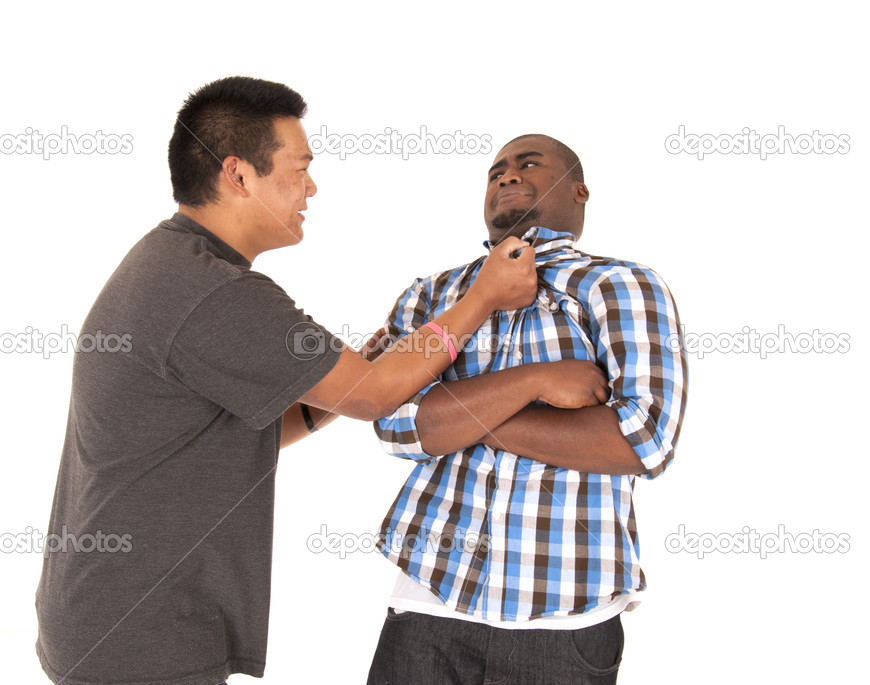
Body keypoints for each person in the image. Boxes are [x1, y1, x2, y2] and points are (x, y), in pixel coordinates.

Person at [33, 78, 599, 685]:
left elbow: (224, 436)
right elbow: (378, 399)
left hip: (109, 613)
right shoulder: (213, 291)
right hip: (141, 636)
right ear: (239, 175)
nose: (311, 187)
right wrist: (486, 304)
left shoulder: (173, 263)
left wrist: (368, 364)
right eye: (299, 168)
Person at [366, 134, 688, 684]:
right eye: (496, 171)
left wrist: (460, 414)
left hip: (568, 616)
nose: (506, 176)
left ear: (580, 191)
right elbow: (395, 425)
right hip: (427, 601)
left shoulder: (620, 286)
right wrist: (535, 382)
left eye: (528, 164)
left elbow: (643, 439)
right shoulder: (432, 295)